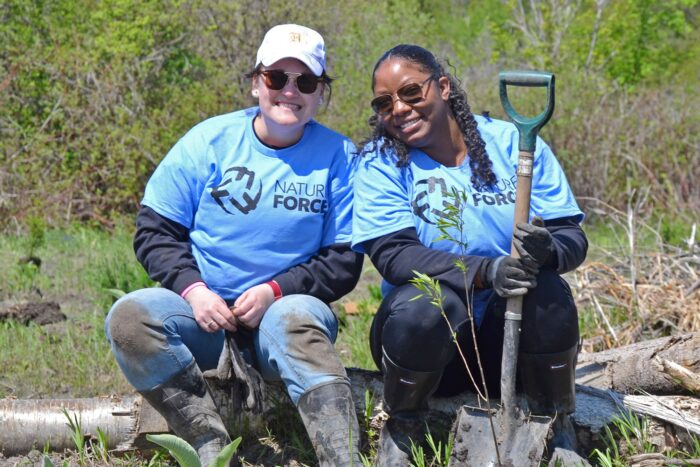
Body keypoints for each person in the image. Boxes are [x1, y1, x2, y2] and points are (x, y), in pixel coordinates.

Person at [105, 24, 364, 467]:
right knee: (129, 319)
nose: (289, 91)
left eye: (305, 81)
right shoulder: (209, 141)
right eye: (276, 78)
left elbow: (343, 261)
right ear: (255, 83)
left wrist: (274, 291)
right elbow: (154, 230)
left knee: (294, 319)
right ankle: (212, 446)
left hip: (284, 321)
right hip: (205, 319)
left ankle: (343, 458)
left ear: (322, 93)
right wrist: (194, 290)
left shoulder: (340, 157)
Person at [352, 44, 588, 466]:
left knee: (549, 292)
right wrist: (485, 270)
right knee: (427, 300)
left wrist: (548, 250)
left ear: (442, 86)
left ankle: (556, 423)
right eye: (384, 102)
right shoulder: (381, 161)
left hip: (508, 342)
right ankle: (403, 432)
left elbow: (572, 237)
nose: (400, 109)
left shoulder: (513, 144)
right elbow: (394, 255)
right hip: (429, 351)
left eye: (411, 93)